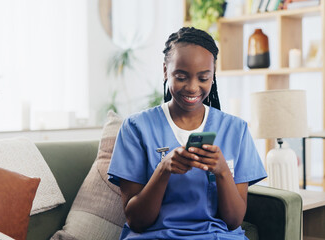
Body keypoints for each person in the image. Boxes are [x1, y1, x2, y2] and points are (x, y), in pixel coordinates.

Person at [108, 27, 267, 240]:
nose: (192, 87)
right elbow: (136, 220)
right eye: (181, 77)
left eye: (203, 77)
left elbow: (233, 221)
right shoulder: (136, 128)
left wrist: (222, 172)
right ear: (166, 71)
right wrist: (163, 170)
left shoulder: (235, 130)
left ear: (213, 74)